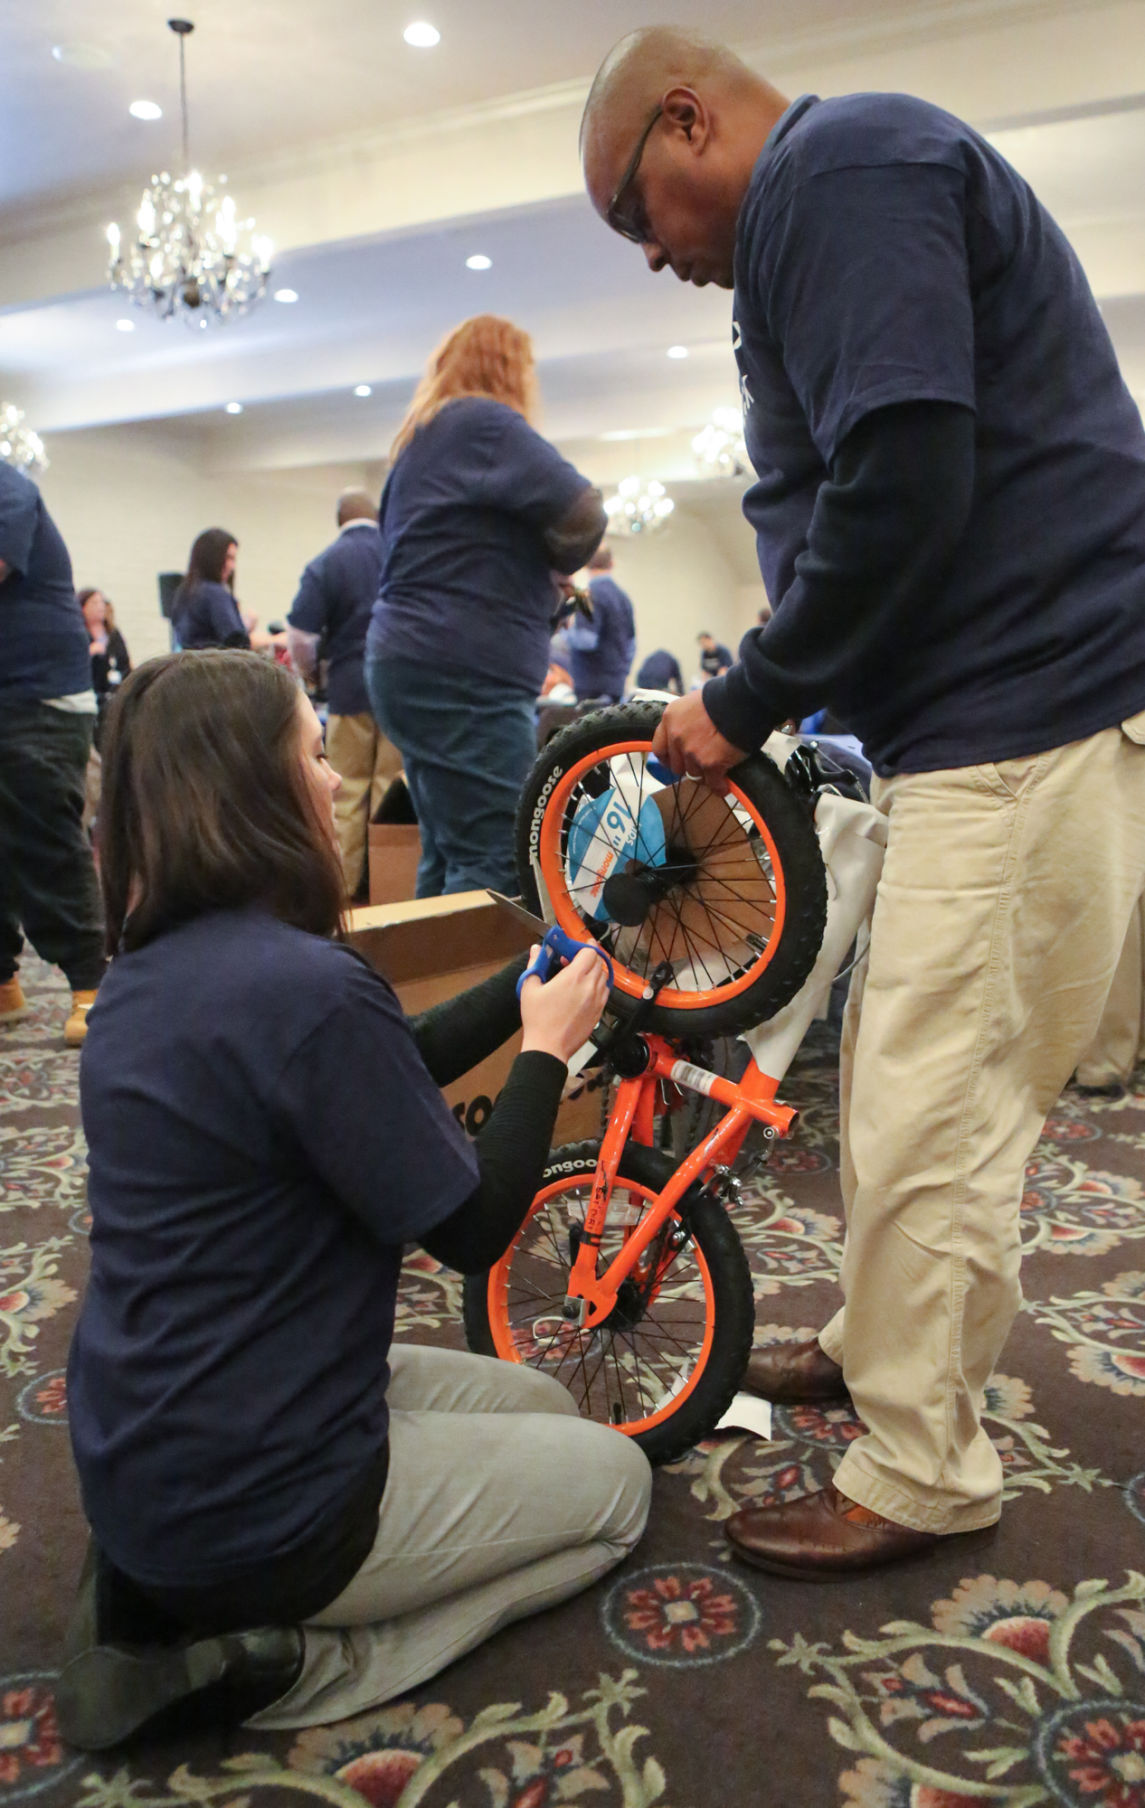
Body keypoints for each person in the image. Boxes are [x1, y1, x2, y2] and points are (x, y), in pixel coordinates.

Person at [582, 28, 1145, 1578]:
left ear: (687, 121)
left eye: (639, 218)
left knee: (932, 1105)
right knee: (927, 1081)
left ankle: (924, 1469)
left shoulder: (842, 170)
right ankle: (885, 1342)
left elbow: (901, 478)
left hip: (1025, 710)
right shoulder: (830, 205)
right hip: (988, 717)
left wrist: (749, 691)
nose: (649, 258)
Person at [56, 648, 651, 1751]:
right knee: (617, 1487)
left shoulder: (143, 974)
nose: (334, 780)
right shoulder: (306, 988)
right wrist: (545, 1055)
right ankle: (288, 1665)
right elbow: (472, 1231)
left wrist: (513, 996)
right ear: (249, 789)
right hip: (270, 1503)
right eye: (310, 751)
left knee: (550, 1409)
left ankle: (173, 1588)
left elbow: (381, 1064)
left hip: (159, 1449)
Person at [365, 314, 606, 897]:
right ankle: (479, 990)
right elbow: (584, 511)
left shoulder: (421, 443)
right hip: (463, 674)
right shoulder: (483, 423)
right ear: (507, 369)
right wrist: (557, 561)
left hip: (413, 665)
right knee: (498, 859)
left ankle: (431, 988)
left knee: (449, 852)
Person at [0, 463, 106, 1046]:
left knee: (44, 840)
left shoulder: (7, 487)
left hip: (38, 697)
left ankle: (92, 986)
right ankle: (4, 985)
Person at [287, 491, 402, 899]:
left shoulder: (327, 562)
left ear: (340, 519)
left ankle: (344, 891)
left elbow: (300, 638)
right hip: (397, 688)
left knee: (348, 789)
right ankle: (386, 886)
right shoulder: (398, 552)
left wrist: (310, 674)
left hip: (350, 686)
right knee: (390, 789)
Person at [565, 544, 636, 703]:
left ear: (586, 564)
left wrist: (564, 632)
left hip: (591, 687)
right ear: (612, 564)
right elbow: (631, 645)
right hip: (615, 686)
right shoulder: (624, 598)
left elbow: (586, 640)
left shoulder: (589, 595)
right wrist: (620, 673)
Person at [170, 528, 248, 650]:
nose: (232, 566)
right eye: (228, 558)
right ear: (212, 557)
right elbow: (237, 643)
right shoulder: (215, 594)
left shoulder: (184, 591)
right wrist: (275, 639)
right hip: (215, 665)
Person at [79, 588, 132, 731]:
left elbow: (125, 662)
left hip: (116, 690)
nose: (100, 607)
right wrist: (90, 652)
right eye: (94, 603)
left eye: (101, 602)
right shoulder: (80, 635)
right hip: (93, 693)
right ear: (83, 608)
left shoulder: (113, 634)